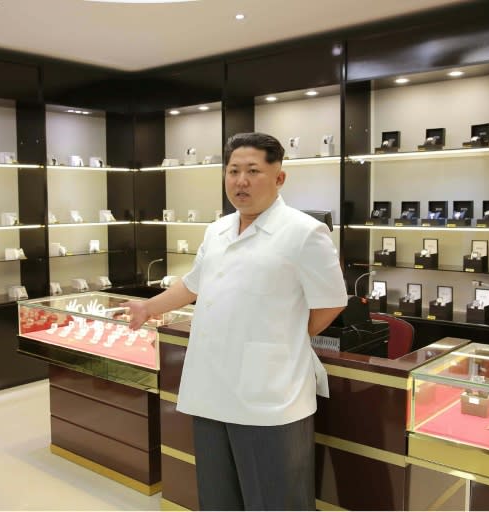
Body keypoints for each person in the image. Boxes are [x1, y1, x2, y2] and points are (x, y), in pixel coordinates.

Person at [124, 132, 348, 510]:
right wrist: (150, 309)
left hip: (270, 396)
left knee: (275, 501)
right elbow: (193, 284)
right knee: (219, 497)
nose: (241, 181)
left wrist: (282, 338)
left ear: (279, 178)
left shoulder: (304, 232)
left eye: (253, 171)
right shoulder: (218, 229)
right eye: (233, 171)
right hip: (211, 388)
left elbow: (331, 303)